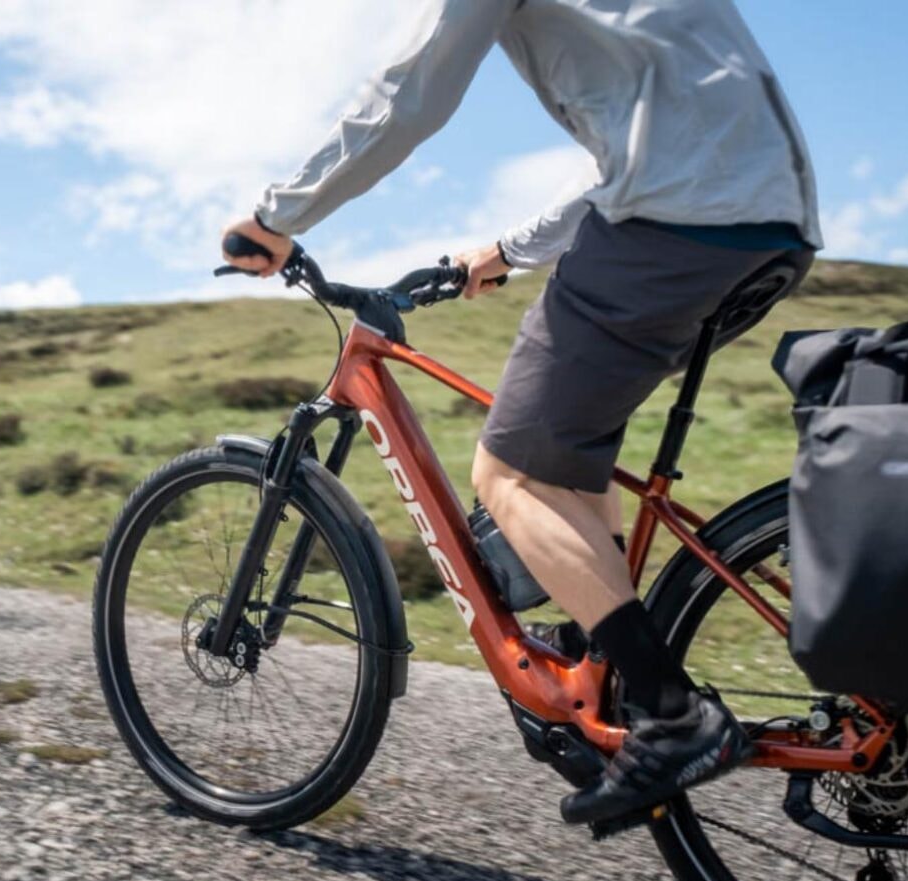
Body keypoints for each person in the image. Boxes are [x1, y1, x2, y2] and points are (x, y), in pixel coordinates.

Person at [221, 0, 820, 826]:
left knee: (508, 472)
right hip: (773, 227)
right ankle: (598, 664)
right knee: (565, 453)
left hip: (677, 223)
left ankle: (674, 716)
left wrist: (274, 220)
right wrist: (507, 252)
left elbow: (410, 94)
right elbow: (638, 146)